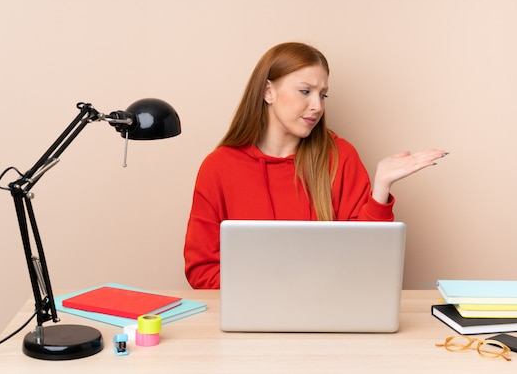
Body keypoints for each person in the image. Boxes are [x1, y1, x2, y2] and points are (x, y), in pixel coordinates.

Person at [184, 42, 448, 289]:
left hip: (330, 313)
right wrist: (277, 290)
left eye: (323, 95)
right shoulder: (218, 167)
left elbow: (367, 259)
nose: (317, 106)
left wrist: (381, 186)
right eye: (305, 91)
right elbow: (201, 270)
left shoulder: (340, 156)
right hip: (252, 319)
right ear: (268, 92)